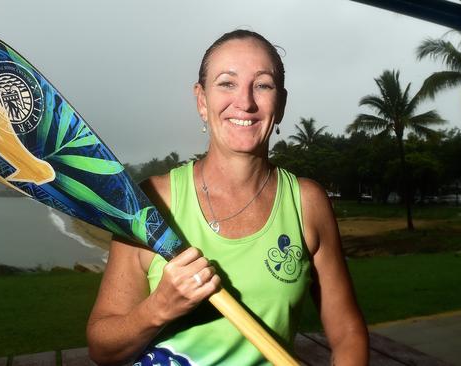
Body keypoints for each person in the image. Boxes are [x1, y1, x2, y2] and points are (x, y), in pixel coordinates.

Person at [86, 29, 369, 366]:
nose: (246, 102)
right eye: (226, 83)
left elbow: (347, 333)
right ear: (202, 100)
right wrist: (157, 309)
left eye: (263, 84)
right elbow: (102, 349)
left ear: (280, 103)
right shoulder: (153, 202)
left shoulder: (307, 203)